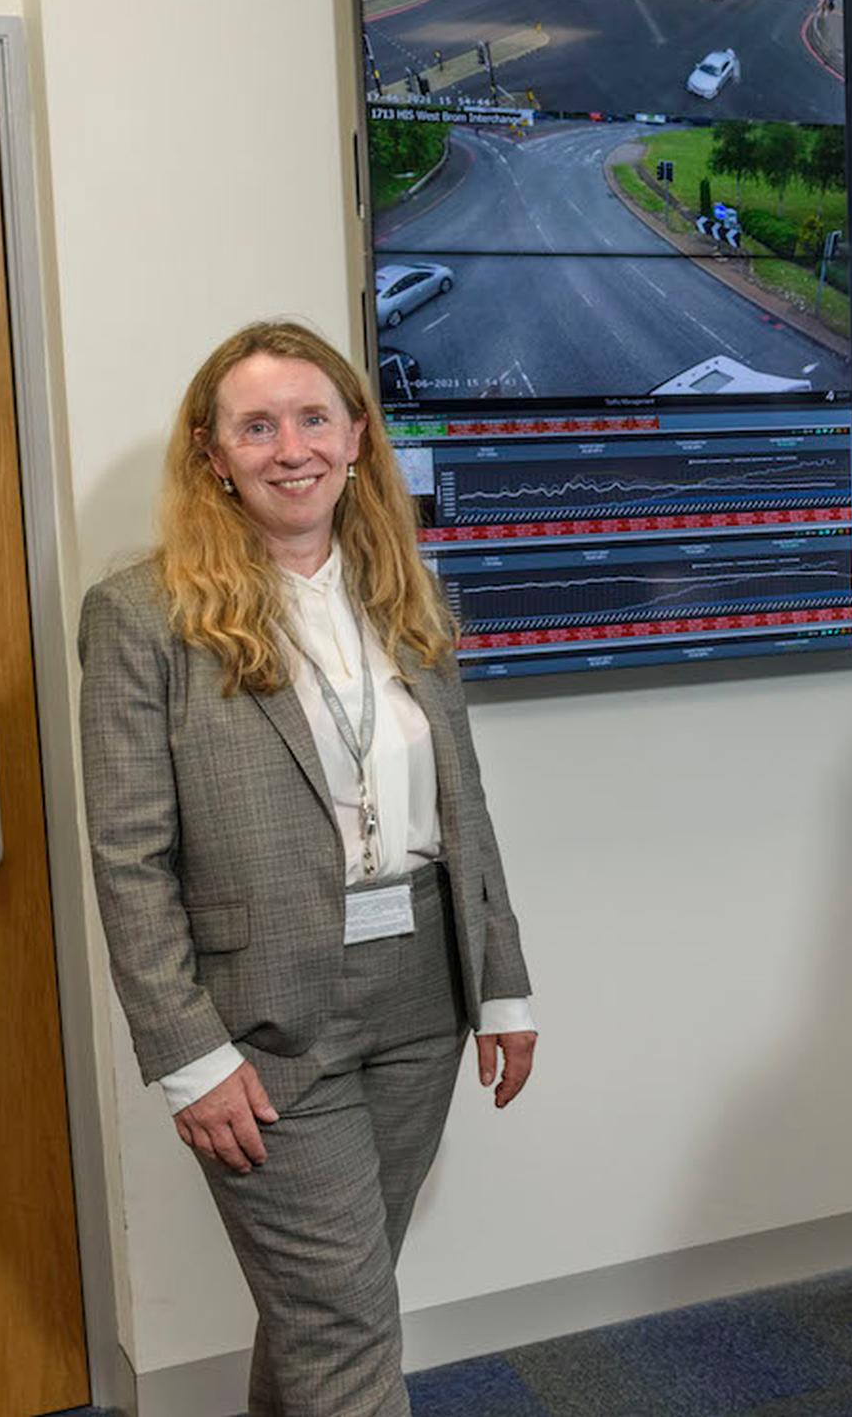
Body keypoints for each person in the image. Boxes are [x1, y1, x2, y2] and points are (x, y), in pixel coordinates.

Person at [79, 320, 537, 1417]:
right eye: (257, 425)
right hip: (263, 1016)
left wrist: (502, 981)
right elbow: (127, 856)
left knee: (335, 1300)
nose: (291, 448)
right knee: (342, 1321)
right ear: (212, 452)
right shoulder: (143, 615)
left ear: (356, 437)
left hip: (422, 993)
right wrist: (187, 1053)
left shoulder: (405, 597)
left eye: (314, 418)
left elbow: (464, 806)